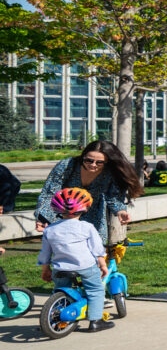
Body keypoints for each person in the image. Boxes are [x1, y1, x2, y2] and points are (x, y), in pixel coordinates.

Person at [34, 139, 142, 246]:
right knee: (66, 251)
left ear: (107, 161)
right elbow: (49, 193)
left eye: (99, 162)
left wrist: (120, 212)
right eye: (89, 160)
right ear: (83, 156)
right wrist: (43, 218)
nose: (93, 164)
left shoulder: (111, 173)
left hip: (94, 216)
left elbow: (113, 197)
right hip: (66, 215)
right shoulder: (67, 166)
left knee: (95, 251)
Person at [37, 187, 113, 333]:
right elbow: (97, 249)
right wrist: (103, 265)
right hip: (85, 266)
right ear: (84, 208)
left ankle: (52, 318)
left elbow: (45, 253)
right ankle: (96, 321)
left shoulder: (50, 229)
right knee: (95, 289)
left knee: (58, 290)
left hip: (60, 268)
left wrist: (45, 269)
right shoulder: (87, 227)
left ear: (57, 209)